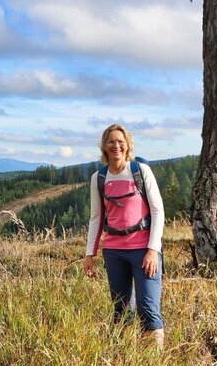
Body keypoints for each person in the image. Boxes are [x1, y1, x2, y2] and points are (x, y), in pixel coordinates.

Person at [83, 123, 165, 348]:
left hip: (143, 249)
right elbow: (96, 217)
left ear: (128, 145)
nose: (116, 146)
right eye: (111, 142)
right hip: (114, 251)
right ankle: (126, 354)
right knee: (120, 309)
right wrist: (90, 254)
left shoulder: (140, 171)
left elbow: (158, 210)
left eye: (121, 141)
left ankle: (154, 359)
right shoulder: (98, 178)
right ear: (104, 146)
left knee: (148, 309)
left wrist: (152, 250)